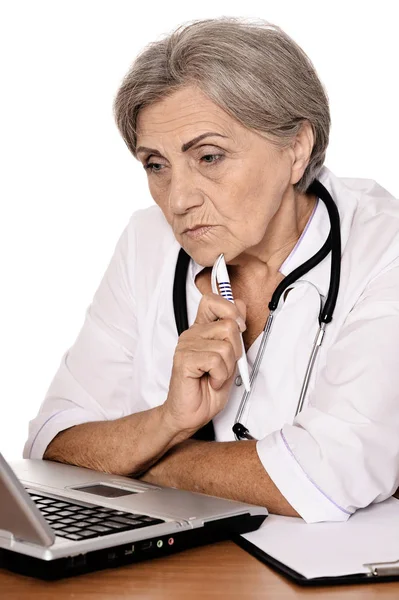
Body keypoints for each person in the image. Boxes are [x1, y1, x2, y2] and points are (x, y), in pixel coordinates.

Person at [24, 17, 399, 524]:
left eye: (209, 156)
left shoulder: (383, 246)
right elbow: (52, 444)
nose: (177, 200)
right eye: (156, 165)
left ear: (295, 149)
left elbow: (325, 480)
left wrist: (136, 458)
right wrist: (167, 421)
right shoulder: (146, 243)